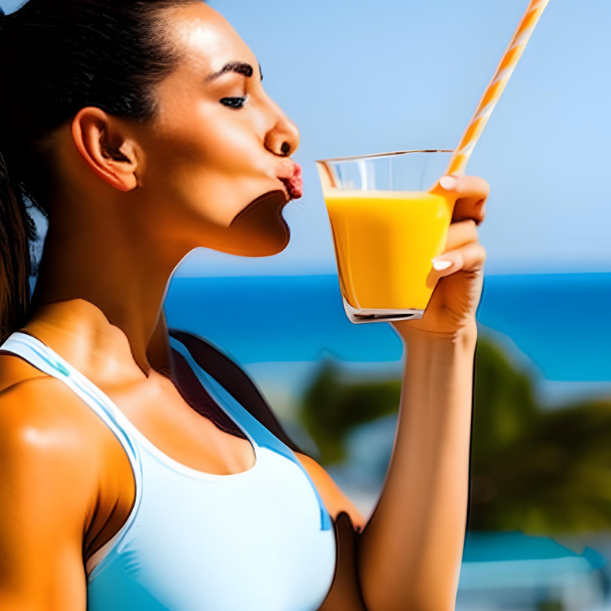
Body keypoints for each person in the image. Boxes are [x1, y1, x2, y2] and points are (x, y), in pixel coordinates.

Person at [0, 1, 489, 610]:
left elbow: (391, 603)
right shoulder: (33, 433)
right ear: (112, 146)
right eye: (235, 98)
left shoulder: (209, 379)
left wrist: (443, 343)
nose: (286, 131)